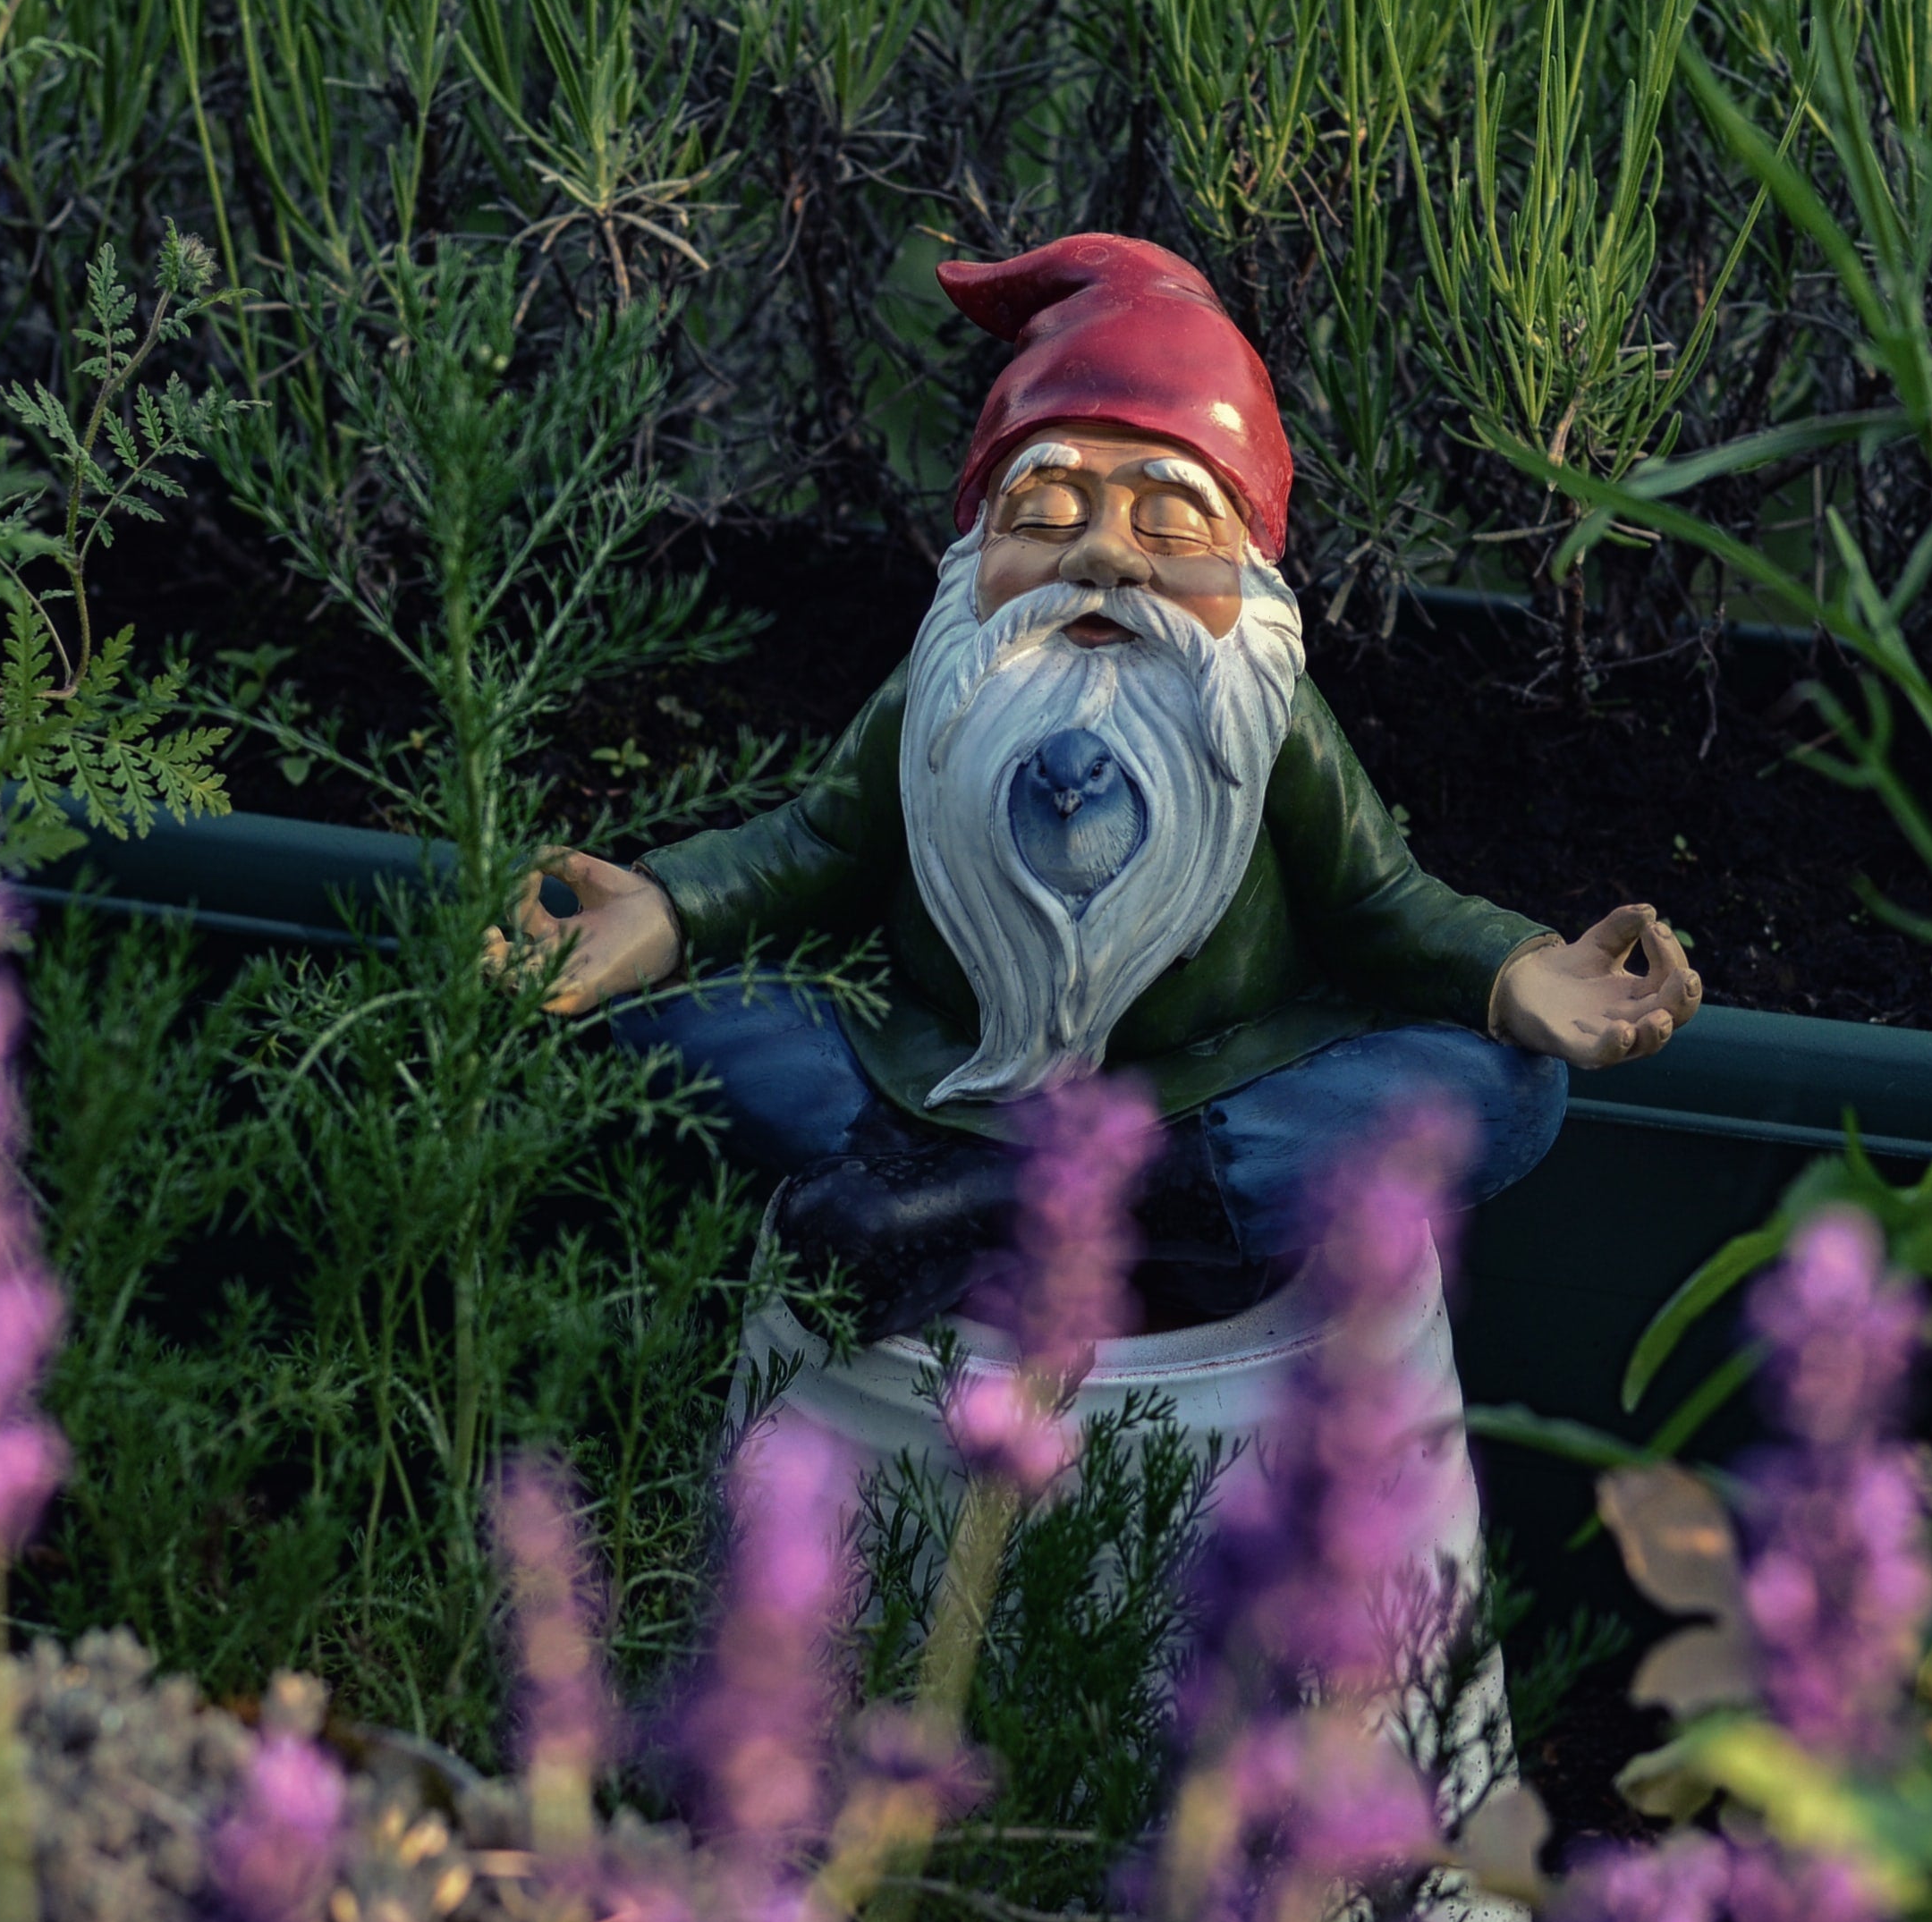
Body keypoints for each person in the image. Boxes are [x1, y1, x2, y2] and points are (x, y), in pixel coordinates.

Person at [490, 232, 1701, 1334]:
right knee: (658, 1012)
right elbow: (813, 845)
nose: (1104, 552)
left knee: (1501, 1090)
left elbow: (1379, 906)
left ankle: (976, 1213)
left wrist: (1516, 968)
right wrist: (662, 910)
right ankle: (953, 1190)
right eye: (1051, 507)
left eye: (1167, 522)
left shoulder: (1266, 716)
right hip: (941, 1081)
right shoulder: (940, 697)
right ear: (980, 547)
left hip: (1197, 1099)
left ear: (1246, 562)